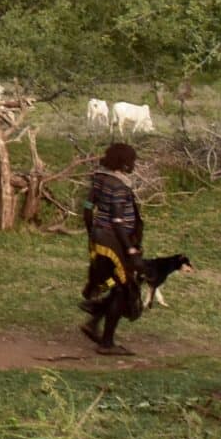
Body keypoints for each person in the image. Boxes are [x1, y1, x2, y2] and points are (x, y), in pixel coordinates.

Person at [81, 142, 145, 356]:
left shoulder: (99, 179)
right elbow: (118, 221)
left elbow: (88, 207)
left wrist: (92, 232)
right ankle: (107, 342)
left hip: (100, 239)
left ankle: (94, 319)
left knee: (116, 283)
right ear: (124, 163)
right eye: (131, 161)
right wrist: (130, 250)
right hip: (115, 242)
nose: (133, 164)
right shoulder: (118, 186)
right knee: (123, 287)